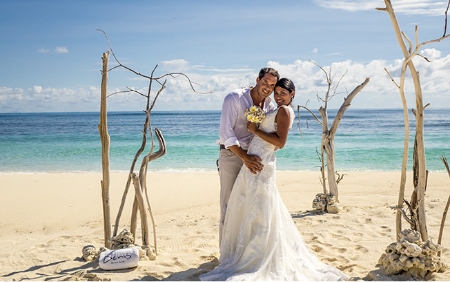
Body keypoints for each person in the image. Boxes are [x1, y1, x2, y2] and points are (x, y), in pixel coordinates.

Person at [201, 78, 349, 281]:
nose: (278, 96)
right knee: (251, 207)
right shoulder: (273, 107)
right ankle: (243, 251)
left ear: (292, 95)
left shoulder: (285, 111)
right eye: (276, 92)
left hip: (260, 163)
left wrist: (254, 130)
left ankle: (258, 254)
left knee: (261, 208)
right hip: (254, 160)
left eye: (283, 93)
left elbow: (281, 142)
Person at [217, 67, 279, 245]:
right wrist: (244, 157)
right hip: (232, 155)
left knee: (250, 204)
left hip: (255, 157)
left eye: (272, 85)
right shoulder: (234, 98)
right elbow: (225, 134)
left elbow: (269, 133)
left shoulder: (270, 106)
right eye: (265, 82)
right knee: (229, 204)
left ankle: (242, 251)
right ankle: (225, 251)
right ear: (258, 79)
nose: (267, 87)